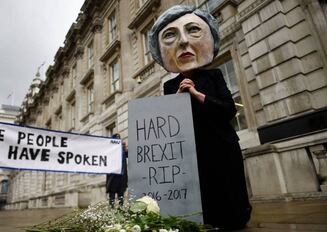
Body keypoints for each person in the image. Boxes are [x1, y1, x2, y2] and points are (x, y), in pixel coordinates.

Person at [149, 5, 252, 230]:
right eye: (170, 36)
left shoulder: (214, 75)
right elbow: (167, 124)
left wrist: (196, 94)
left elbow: (228, 109)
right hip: (192, 152)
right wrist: (177, 95)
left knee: (229, 194)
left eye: (193, 30)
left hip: (221, 146)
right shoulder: (169, 85)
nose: (184, 43)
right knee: (205, 200)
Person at [106, 134, 128, 208]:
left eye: (119, 138)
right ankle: (111, 210)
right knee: (112, 195)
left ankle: (121, 209)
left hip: (122, 177)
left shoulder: (122, 149)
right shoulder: (110, 150)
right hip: (113, 177)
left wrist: (125, 148)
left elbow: (130, 154)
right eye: (116, 139)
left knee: (121, 194)